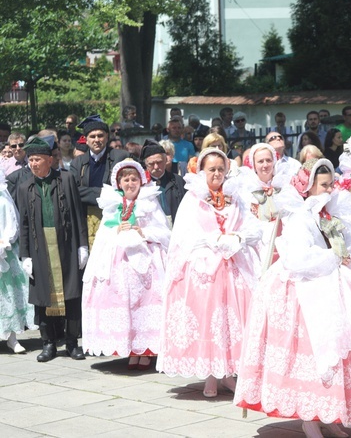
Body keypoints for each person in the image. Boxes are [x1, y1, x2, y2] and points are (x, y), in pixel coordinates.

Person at [234, 159, 351, 438]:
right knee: (311, 350)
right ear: (308, 188)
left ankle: (327, 413)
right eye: (324, 186)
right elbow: (298, 259)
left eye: (331, 185)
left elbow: (345, 242)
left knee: (337, 347)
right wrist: (333, 256)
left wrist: (344, 253)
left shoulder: (327, 215)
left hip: (330, 283)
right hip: (302, 289)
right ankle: (308, 416)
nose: (329, 191)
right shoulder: (300, 216)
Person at [157, 148, 263, 398]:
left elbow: (251, 226)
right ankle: (211, 375)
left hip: (234, 267)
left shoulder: (235, 197)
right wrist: (215, 240)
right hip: (205, 270)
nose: (216, 174)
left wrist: (238, 237)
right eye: (211, 169)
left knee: (231, 323)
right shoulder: (193, 198)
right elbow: (186, 234)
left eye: (220, 169)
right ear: (201, 171)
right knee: (210, 323)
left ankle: (228, 373)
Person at [81, 160, 170, 369]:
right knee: (123, 303)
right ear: (119, 183)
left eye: (134, 179)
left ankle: (147, 350)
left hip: (146, 261)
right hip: (118, 260)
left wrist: (143, 231)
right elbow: (103, 234)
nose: (130, 183)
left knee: (144, 303)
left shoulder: (149, 202)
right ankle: (130, 348)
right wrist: (116, 231)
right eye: (126, 179)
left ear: (141, 181)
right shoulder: (112, 205)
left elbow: (164, 231)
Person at [17, 138, 89, 362]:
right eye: (30, 160)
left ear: (50, 160)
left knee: (72, 294)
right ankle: (48, 343)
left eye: (37, 159)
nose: (33, 164)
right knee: (42, 297)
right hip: (40, 248)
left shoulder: (66, 179)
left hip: (66, 244)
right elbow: (25, 224)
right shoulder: (24, 187)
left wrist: (82, 245)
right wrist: (25, 254)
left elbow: (78, 213)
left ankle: (72, 343)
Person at [69, 115, 129, 248]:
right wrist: (104, 193)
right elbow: (73, 191)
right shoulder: (77, 163)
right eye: (92, 136)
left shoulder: (120, 157)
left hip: (114, 218)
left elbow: (124, 190)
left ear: (107, 137)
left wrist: (88, 194)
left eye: (100, 136)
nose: (96, 140)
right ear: (86, 139)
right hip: (85, 218)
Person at [0, 168, 33, 354]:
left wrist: (4, 242)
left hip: (4, 251)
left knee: (8, 295)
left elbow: (12, 225)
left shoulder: (3, 199)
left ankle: (12, 337)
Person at [141, 140, 186, 225]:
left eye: (159, 162)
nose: (156, 167)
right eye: (151, 164)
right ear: (146, 165)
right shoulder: (142, 184)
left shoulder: (178, 181)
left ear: (165, 160)